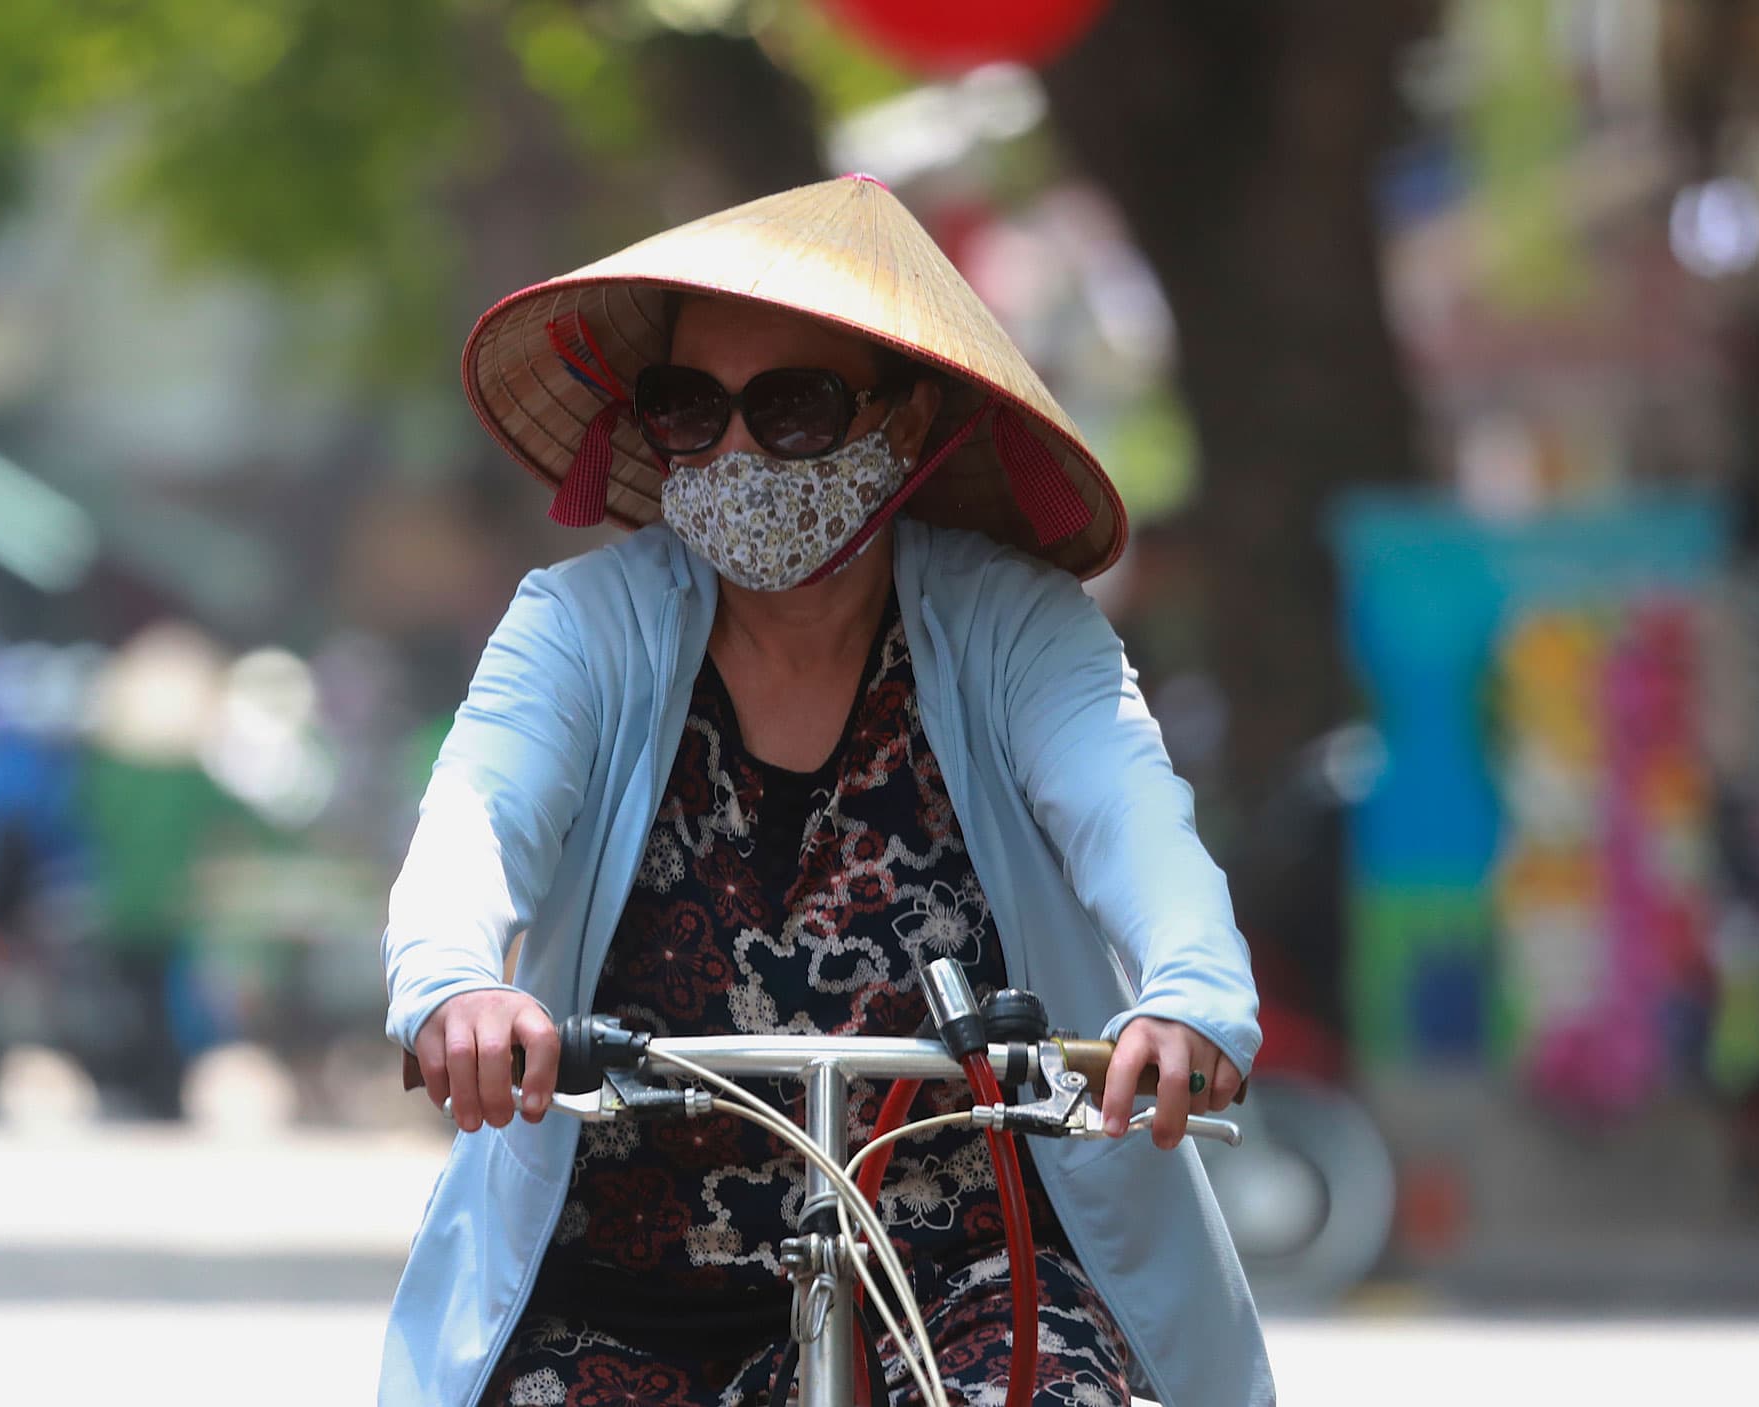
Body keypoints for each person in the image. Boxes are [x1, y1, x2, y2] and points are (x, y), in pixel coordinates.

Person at [382, 176, 1268, 1407]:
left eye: (790, 408)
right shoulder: (578, 626)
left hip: (962, 1272)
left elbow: (1129, 813)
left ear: (904, 426)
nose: (735, 451)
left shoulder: (1017, 628)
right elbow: (478, 815)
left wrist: (1191, 995)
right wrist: (452, 983)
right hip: (624, 1283)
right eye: (691, 410)